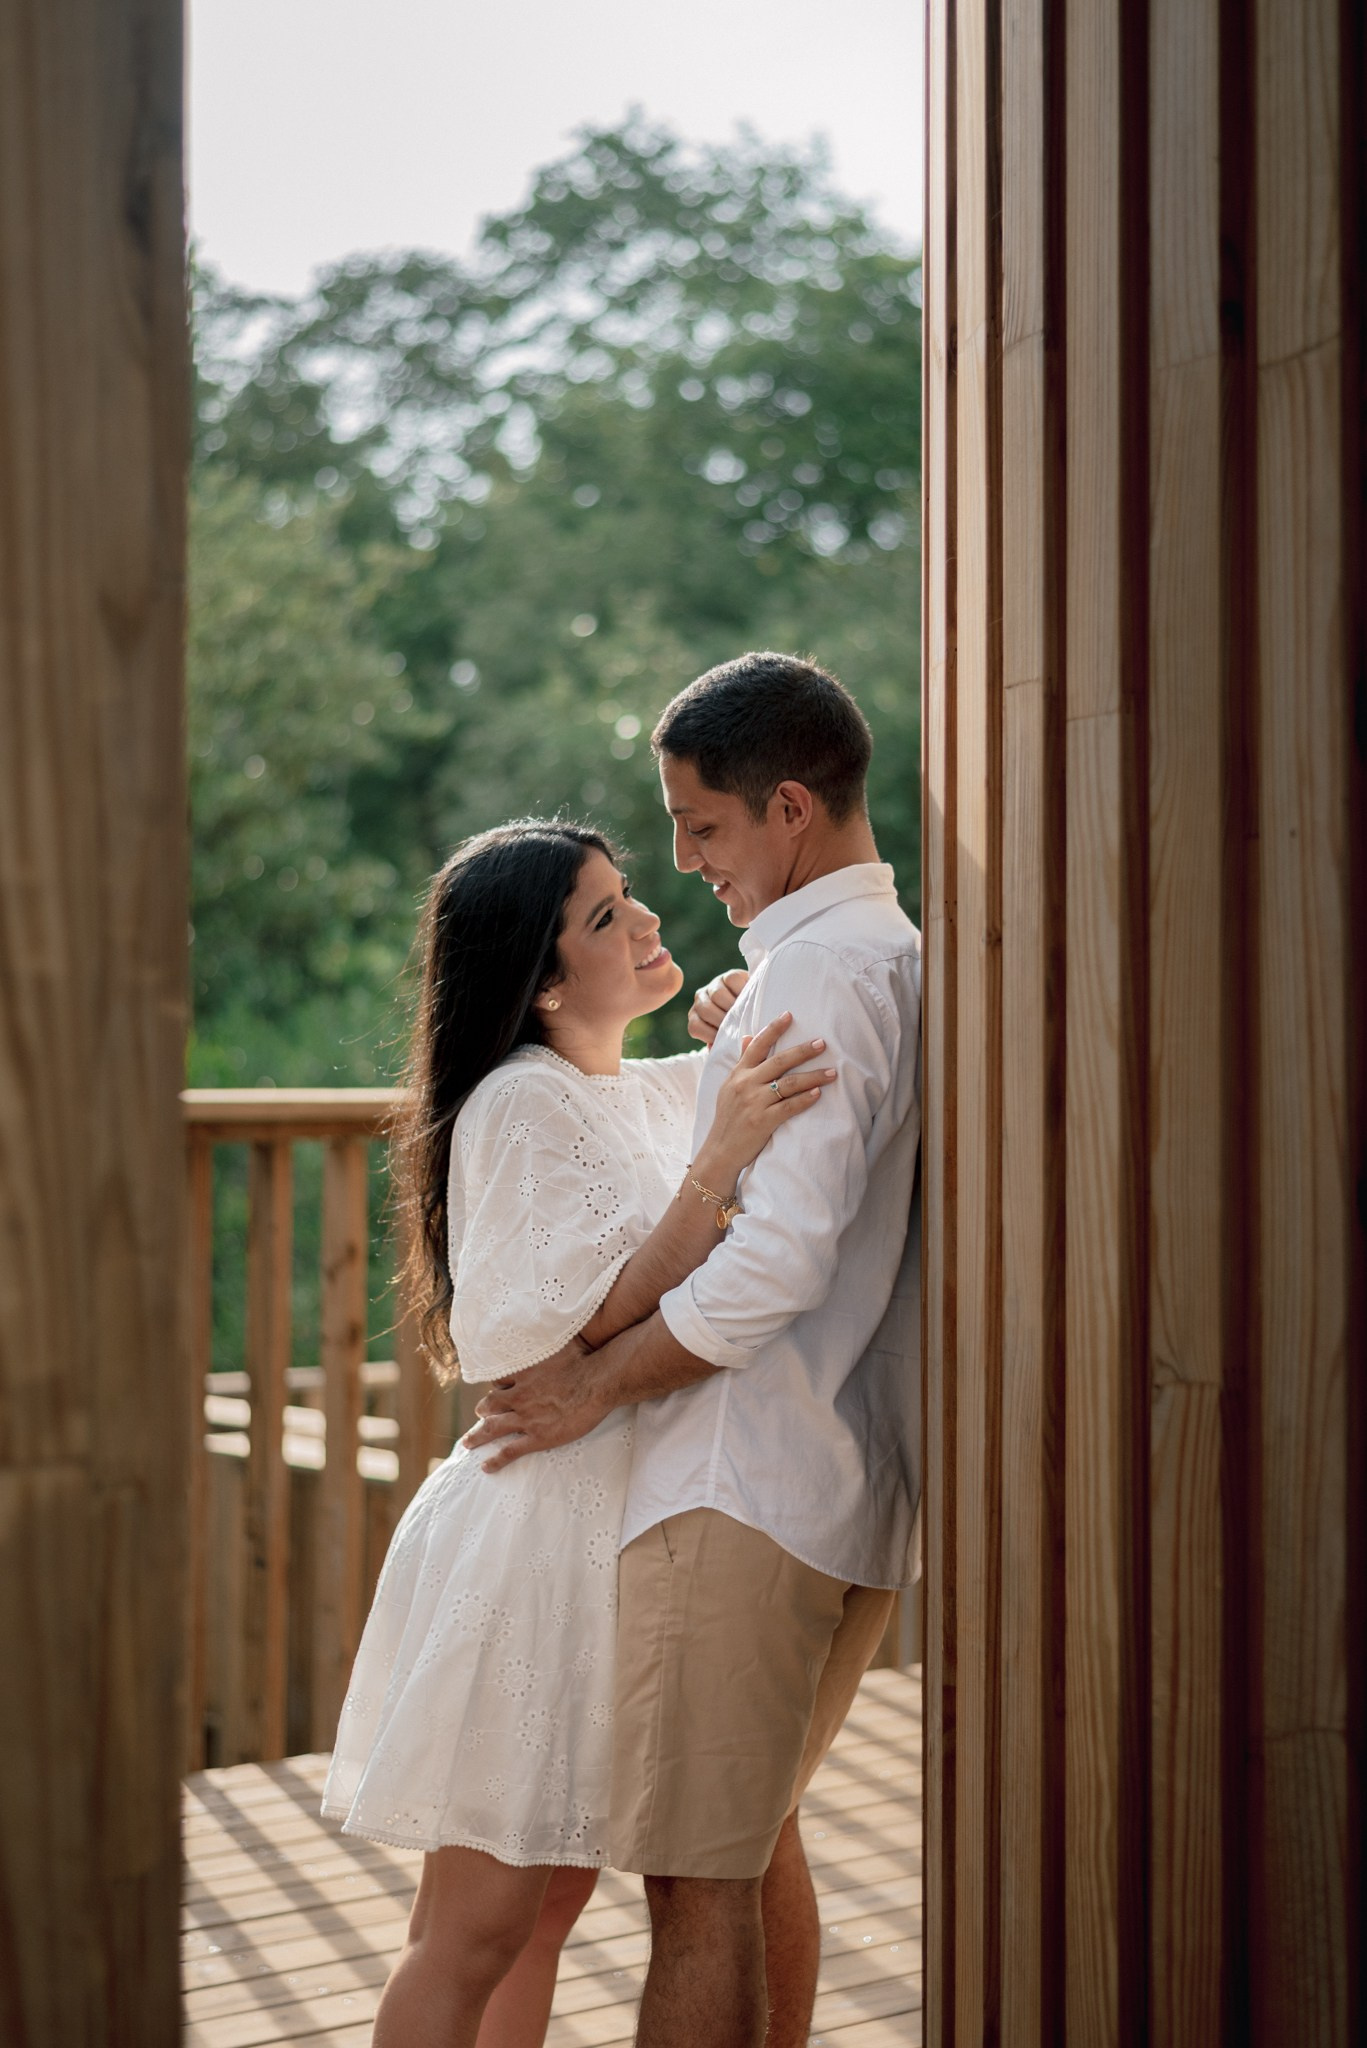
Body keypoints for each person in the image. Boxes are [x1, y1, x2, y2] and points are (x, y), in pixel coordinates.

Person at [466, 653, 923, 2048]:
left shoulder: (820, 974)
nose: (687, 862)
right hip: (836, 1480)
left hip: (735, 1484)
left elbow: (773, 1262)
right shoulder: (876, 958)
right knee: (748, 1849)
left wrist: (593, 1383)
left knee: (695, 1894)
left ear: (787, 808)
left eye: (703, 827)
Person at [320, 818, 836, 2048]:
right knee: (480, 1921)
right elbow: (573, 1325)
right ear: (542, 979)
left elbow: (706, 1129)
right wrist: (722, 1154)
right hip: (533, 1551)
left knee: (546, 1906)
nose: (649, 920)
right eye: (606, 916)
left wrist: (739, 1010)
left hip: (613, 1543)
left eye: (632, 895)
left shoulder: (626, 1090)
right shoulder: (515, 1100)